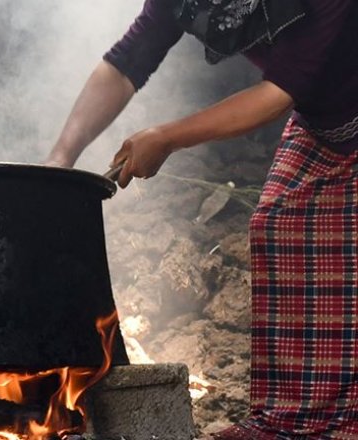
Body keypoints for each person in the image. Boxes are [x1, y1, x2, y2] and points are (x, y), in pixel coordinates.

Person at [45, 0, 357, 438]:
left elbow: (278, 92)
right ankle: (293, 419)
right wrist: (61, 157)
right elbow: (125, 64)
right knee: (278, 225)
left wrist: (167, 137)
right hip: (324, 128)